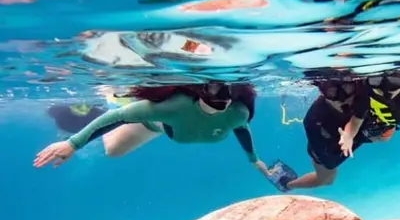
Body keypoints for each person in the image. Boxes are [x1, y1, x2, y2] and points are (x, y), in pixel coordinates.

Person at [33, 82, 277, 181]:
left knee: (114, 150)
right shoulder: (173, 106)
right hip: (153, 124)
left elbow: (241, 129)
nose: (217, 111)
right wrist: (73, 144)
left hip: (172, 127)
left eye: (222, 107)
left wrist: (254, 160)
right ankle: (113, 97)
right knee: (112, 150)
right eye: (212, 105)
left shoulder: (238, 113)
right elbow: (115, 118)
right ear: (199, 97)